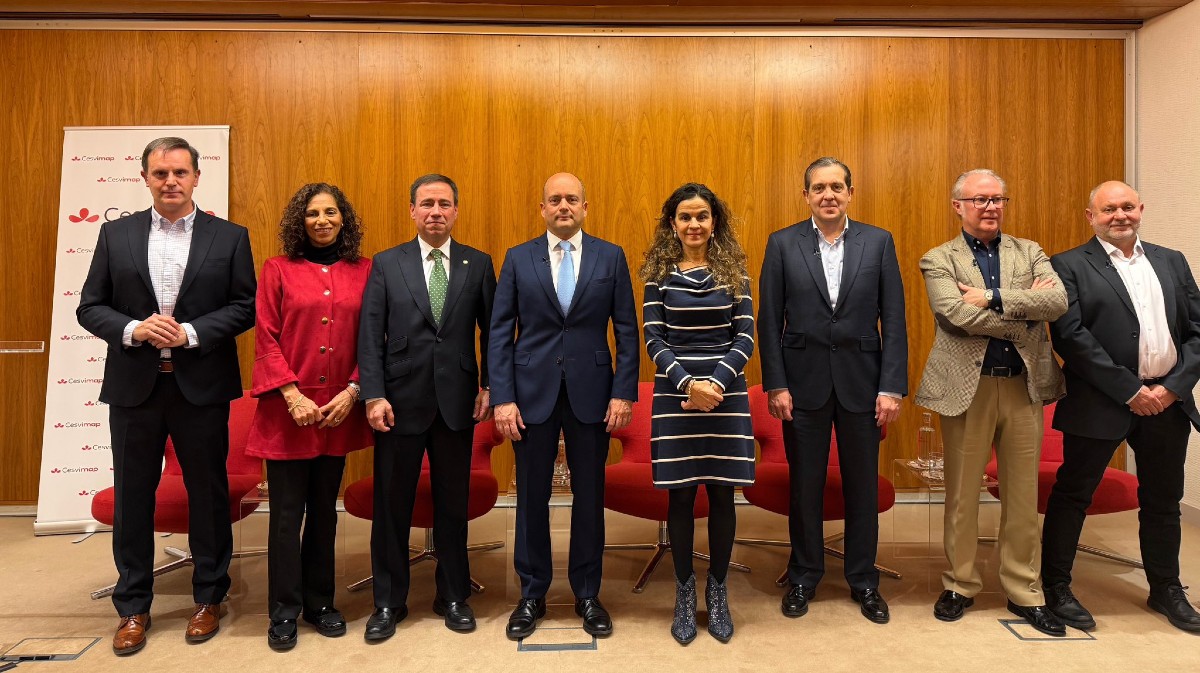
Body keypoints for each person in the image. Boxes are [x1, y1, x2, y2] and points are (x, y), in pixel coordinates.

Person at [76, 136, 256, 655]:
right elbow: (90, 306)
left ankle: (209, 597)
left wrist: (191, 333)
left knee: (208, 493)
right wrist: (133, 328)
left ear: (197, 177)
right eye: (160, 173)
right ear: (145, 179)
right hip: (135, 387)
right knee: (134, 497)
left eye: (180, 172)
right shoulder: (116, 234)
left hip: (201, 386)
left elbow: (245, 306)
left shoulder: (230, 237)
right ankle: (133, 606)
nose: (171, 181)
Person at [914, 168, 1068, 636]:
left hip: (1023, 387)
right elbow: (954, 314)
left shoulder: (1030, 251)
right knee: (962, 495)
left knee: (1022, 496)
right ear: (958, 206)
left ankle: (1025, 591)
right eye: (980, 199)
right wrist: (1024, 312)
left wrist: (991, 296)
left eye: (998, 199)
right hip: (968, 389)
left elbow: (1057, 302)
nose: (990, 207)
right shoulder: (939, 258)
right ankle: (960, 584)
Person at [1041, 180, 1200, 633]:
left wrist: (1173, 388)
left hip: (1167, 402)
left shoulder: (1172, 261)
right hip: (1100, 401)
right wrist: (1130, 391)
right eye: (1108, 208)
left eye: (1127, 206)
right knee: (1074, 495)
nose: (1119, 215)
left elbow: (1196, 330)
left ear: (1140, 209)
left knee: (1163, 501)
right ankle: (1057, 586)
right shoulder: (1069, 264)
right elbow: (1071, 337)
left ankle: (1165, 588)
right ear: (1090, 216)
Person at [757, 157, 907, 625]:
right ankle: (804, 575)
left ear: (850, 193)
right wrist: (776, 384)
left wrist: (891, 387)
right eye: (819, 188)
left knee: (862, 486)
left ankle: (864, 579)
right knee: (806, 486)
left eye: (837, 187)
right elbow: (769, 320)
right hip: (802, 386)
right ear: (806, 196)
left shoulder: (878, 242)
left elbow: (894, 320)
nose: (828, 195)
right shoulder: (782, 243)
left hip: (864, 384)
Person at [490, 172, 639, 640]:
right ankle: (531, 594)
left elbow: (627, 331)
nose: (563, 206)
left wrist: (623, 392)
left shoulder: (610, 256)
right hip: (530, 393)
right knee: (531, 496)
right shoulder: (518, 258)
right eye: (554, 199)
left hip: (592, 394)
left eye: (571, 199)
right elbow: (499, 333)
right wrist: (503, 398)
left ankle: (588, 593)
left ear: (585, 207)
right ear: (542, 209)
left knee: (589, 497)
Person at [358, 174, 496, 640]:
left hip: (458, 402)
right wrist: (373, 393)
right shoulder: (386, 263)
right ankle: (388, 601)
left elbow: (493, 332)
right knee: (391, 504)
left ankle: (453, 595)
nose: (435, 211)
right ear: (412, 211)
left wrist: (490, 385)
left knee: (453, 504)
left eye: (444, 204)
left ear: (456, 211)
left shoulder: (478, 263)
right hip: (398, 402)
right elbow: (369, 334)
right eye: (427, 204)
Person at [245, 183, 373, 650]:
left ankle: (321, 603)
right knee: (285, 516)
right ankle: (283, 611)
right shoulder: (277, 269)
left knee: (323, 512)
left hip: (338, 410)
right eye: (313, 213)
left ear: (344, 219)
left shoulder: (366, 270)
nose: (322, 220)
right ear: (300, 221)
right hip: (288, 411)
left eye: (331, 212)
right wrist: (292, 394)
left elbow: (374, 337)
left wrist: (353, 391)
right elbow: (266, 335)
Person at [641, 183, 754, 644]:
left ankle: (719, 590)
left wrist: (715, 386)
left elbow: (745, 337)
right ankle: (685, 592)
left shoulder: (736, 274)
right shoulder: (658, 275)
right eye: (685, 217)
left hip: (726, 395)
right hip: (676, 398)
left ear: (714, 222)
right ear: (673, 224)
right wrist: (690, 385)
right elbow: (654, 337)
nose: (694, 224)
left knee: (724, 496)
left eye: (702, 216)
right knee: (682, 497)